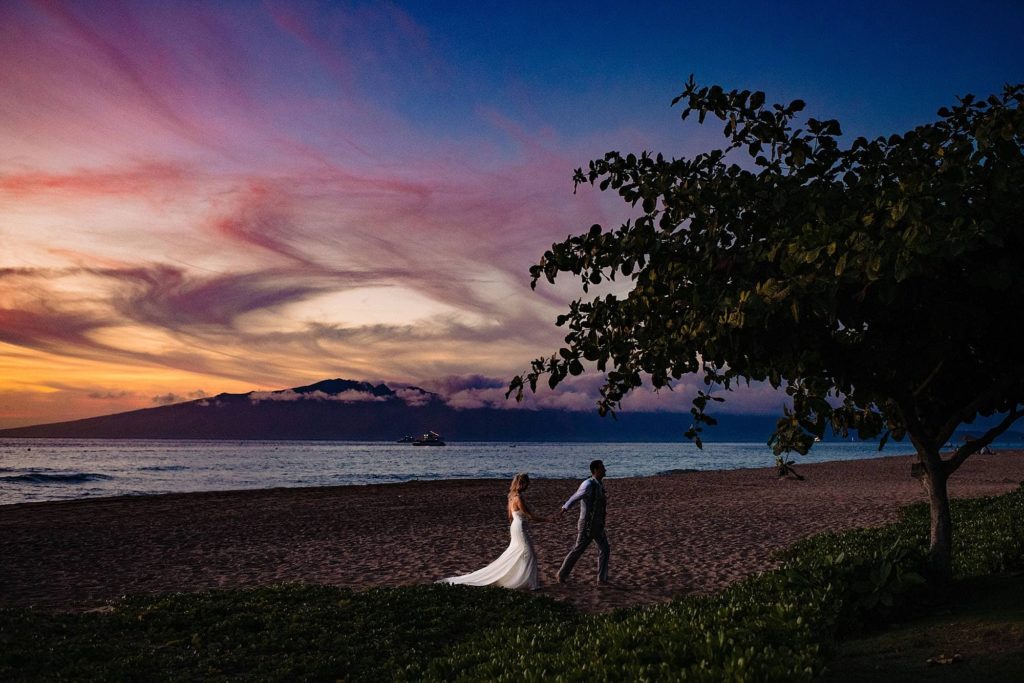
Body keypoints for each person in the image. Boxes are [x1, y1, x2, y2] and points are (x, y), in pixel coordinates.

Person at [438, 472, 548, 590]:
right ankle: (530, 584)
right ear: (522, 483)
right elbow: (530, 515)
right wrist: (547, 520)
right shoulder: (518, 498)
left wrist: (514, 527)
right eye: (527, 483)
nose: (529, 485)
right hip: (520, 527)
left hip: (515, 526)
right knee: (529, 553)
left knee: (519, 553)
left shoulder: (511, 496)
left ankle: (524, 580)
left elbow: (510, 516)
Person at [556, 459, 609, 585]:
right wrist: (564, 508)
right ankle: (561, 574)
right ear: (595, 470)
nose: (605, 469)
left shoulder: (599, 484)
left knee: (605, 549)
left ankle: (602, 579)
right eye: (602, 467)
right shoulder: (588, 484)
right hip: (587, 525)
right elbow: (575, 497)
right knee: (578, 549)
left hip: (598, 525)